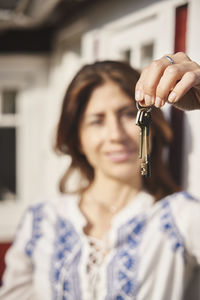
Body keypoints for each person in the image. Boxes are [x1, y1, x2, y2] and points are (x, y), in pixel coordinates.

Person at [0, 52, 200, 300]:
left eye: (128, 113)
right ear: (78, 138)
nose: (115, 135)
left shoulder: (182, 217)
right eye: (97, 121)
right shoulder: (41, 221)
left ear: (151, 125)